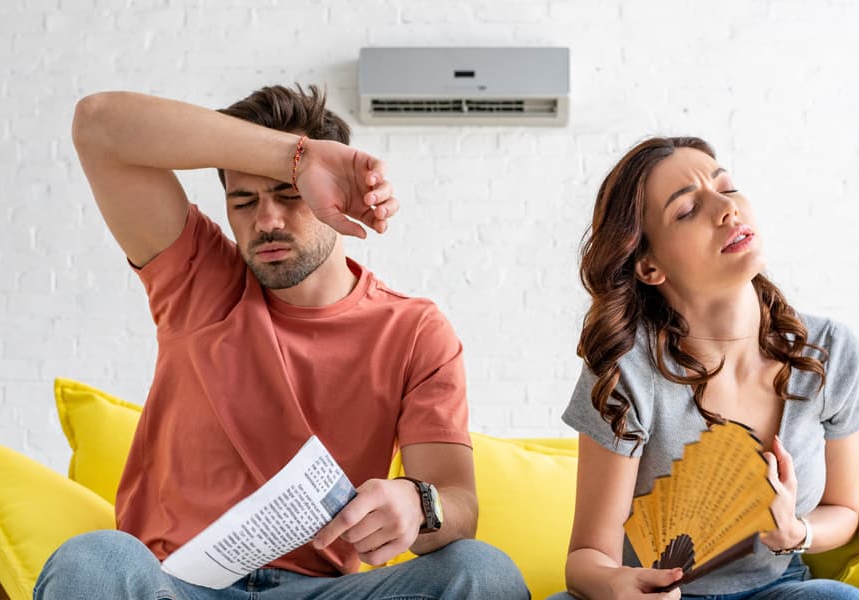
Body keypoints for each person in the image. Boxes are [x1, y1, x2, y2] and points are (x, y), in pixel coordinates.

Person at [33, 85, 528, 599]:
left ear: (336, 199)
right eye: (244, 202)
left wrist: (418, 503)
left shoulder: (413, 330)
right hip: (175, 588)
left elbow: (459, 505)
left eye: (291, 196)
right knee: (93, 560)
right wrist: (297, 161)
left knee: (482, 571)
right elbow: (97, 124)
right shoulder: (198, 280)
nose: (266, 221)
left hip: (319, 592)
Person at [553, 137, 859, 600]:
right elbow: (587, 558)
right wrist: (619, 583)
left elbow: (843, 510)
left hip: (777, 589)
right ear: (649, 266)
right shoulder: (626, 370)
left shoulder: (829, 350)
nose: (727, 210)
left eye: (726, 189)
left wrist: (796, 532)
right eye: (687, 210)